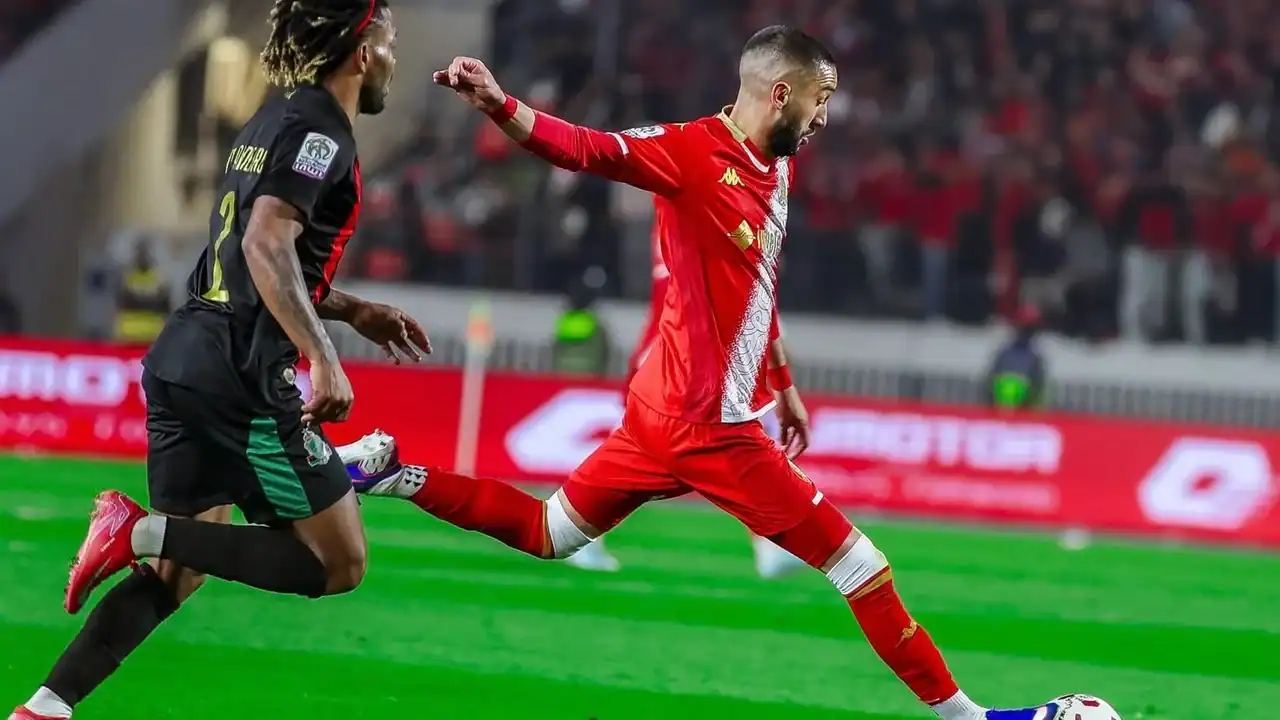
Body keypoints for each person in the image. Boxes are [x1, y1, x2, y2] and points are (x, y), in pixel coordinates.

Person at [348, 27, 1065, 720]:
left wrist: (782, 383)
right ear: (781, 93)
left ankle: (392, 473)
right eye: (820, 99)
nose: (825, 116)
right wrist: (501, 104)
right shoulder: (688, 152)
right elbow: (587, 149)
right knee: (861, 566)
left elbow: (757, 286)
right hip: (708, 425)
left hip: (663, 410)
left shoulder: (776, 163)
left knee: (550, 530)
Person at [9, 2, 430, 719]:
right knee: (339, 562)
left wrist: (349, 308)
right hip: (241, 376)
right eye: (389, 41)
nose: (394, 57)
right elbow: (265, 243)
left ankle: (44, 706)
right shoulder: (322, 133)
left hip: (185, 357)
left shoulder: (269, 121)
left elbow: (246, 257)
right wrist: (321, 354)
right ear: (363, 53)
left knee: (177, 571)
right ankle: (134, 529)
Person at [574, 224, 806, 577]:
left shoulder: (683, 223)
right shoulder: (706, 221)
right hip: (680, 359)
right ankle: (577, 526)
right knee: (732, 447)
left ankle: (770, 542)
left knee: (732, 447)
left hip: (677, 356)